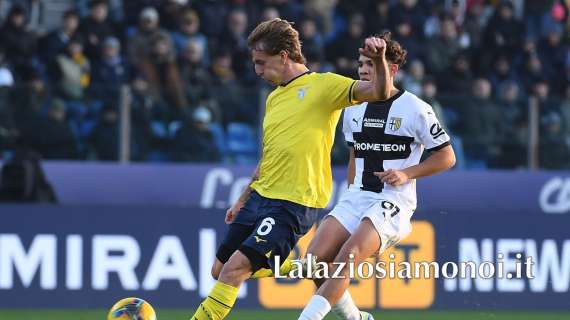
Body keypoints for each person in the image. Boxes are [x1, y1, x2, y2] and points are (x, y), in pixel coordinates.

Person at [190, 18, 393, 320]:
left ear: (283, 56)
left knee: (234, 269)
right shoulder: (274, 99)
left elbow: (380, 92)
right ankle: (301, 266)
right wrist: (244, 197)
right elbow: (270, 154)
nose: (257, 71)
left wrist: (378, 61)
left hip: (293, 203)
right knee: (219, 269)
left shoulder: (324, 86)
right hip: (260, 196)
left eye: (261, 62)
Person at [297, 33, 456, 320]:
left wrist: (406, 173)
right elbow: (355, 152)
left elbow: (447, 157)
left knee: (348, 256)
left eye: (371, 64)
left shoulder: (416, 109)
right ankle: (355, 318)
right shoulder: (354, 106)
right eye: (361, 64)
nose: (363, 70)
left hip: (393, 200)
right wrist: (350, 192)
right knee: (312, 263)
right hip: (357, 196)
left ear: (391, 69)